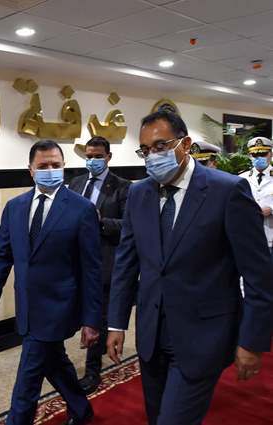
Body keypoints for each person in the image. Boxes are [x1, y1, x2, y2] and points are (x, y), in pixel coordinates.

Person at [106, 110, 273, 425]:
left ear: (185, 144)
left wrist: (251, 341)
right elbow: (126, 263)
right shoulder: (139, 193)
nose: (152, 156)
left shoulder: (228, 191)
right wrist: (116, 322)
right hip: (152, 335)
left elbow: (258, 275)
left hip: (203, 336)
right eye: (145, 150)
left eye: (160, 146)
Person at [0, 140, 102, 425]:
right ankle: (81, 407)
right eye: (43, 166)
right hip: (27, 305)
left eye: (55, 165)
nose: (50, 170)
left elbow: (91, 269)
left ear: (64, 167)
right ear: (31, 170)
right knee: (54, 362)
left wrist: (92, 319)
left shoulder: (81, 209)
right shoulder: (14, 207)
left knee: (28, 377)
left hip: (60, 306)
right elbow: (1, 257)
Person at [68, 136, 131, 394]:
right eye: (89, 156)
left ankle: (92, 371)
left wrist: (100, 221)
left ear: (108, 157)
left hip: (104, 260)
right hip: (75, 259)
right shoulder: (76, 183)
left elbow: (129, 224)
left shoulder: (123, 187)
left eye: (98, 156)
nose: (92, 161)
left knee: (98, 316)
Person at [239, 137, 273, 256]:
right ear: (249, 155)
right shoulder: (241, 178)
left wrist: (271, 209)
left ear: (271, 154)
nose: (259, 158)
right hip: (249, 238)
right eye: (255, 155)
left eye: (263, 154)